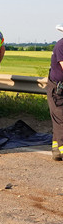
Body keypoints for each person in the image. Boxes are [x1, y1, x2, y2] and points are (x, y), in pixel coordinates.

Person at [47, 24, 63, 161]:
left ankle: (56, 149)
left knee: (59, 119)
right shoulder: (61, 45)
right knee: (60, 118)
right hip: (57, 88)